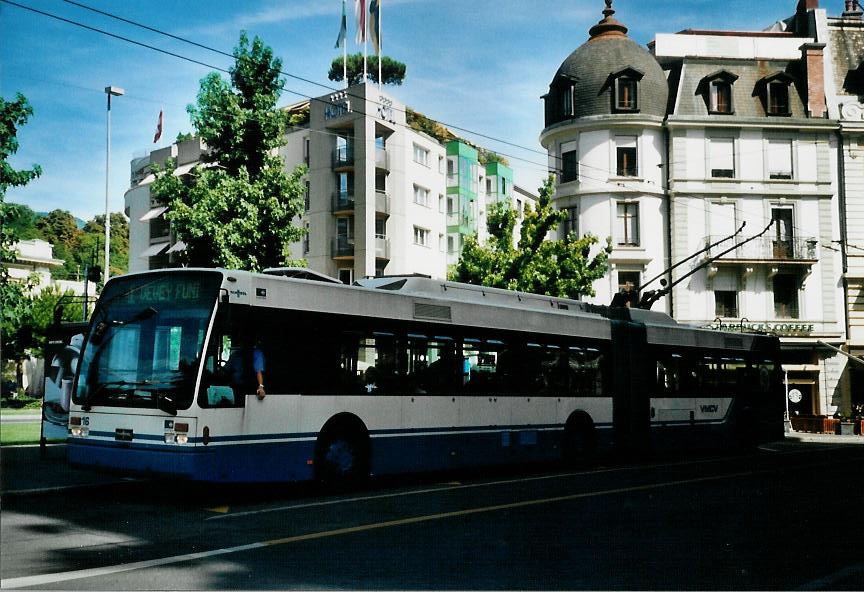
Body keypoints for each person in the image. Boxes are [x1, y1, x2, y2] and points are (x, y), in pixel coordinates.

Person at [226, 331, 266, 400]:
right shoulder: (235, 355)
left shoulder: (257, 354)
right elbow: (226, 370)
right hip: (234, 387)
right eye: (242, 340)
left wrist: (260, 386)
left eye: (247, 339)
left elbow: (259, 371)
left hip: (250, 388)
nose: (244, 342)